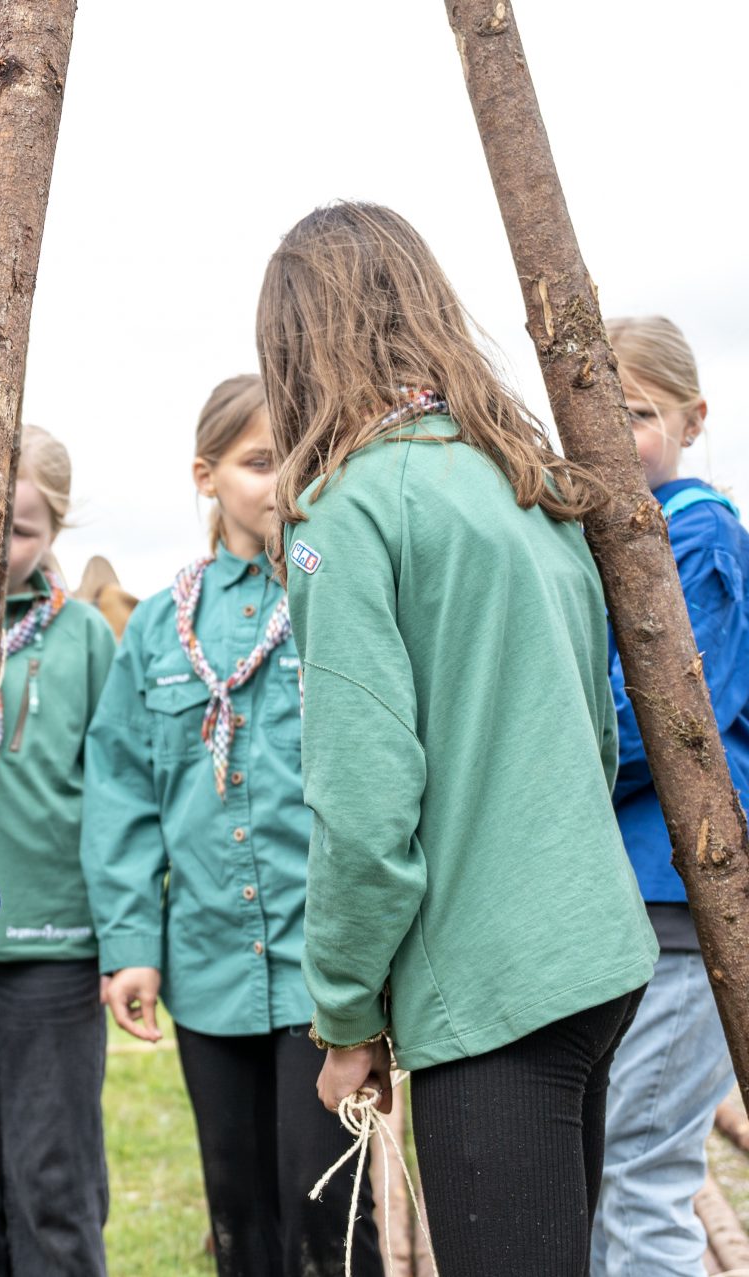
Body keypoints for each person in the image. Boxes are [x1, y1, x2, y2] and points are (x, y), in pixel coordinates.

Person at [262, 202, 657, 1276]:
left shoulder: (346, 512)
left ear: (293, 346)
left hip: (496, 985)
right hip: (596, 949)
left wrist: (347, 1014)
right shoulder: (523, 482)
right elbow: (596, 733)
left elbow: (364, 805)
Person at [86, 374, 380, 1276]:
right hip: (209, 965)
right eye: (259, 461)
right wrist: (131, 943)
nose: (283, 479)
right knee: (237, 1214)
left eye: (301, 456)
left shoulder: (339, 595)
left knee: (329, 1212)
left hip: (322, 970)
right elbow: (123, 790)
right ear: (205, 475)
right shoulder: (160, 630)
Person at [592, 316, 749, 1277]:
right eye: (596, 414)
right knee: (613, 1162)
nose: (616, 435)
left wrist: (541, 762)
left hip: (681, 894)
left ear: (695, 418)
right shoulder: (607, 535)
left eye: (639, 413)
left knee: (641, 1170)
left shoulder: (700, 534)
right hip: (626, 896)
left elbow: (673, 709)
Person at [0, 425, 117, 1275]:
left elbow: (116, 793)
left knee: (52, 1171)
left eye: (21, 530)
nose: (2, 547)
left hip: (57, 941)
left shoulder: (85, 638)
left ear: (54, 530)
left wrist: (121, 935)